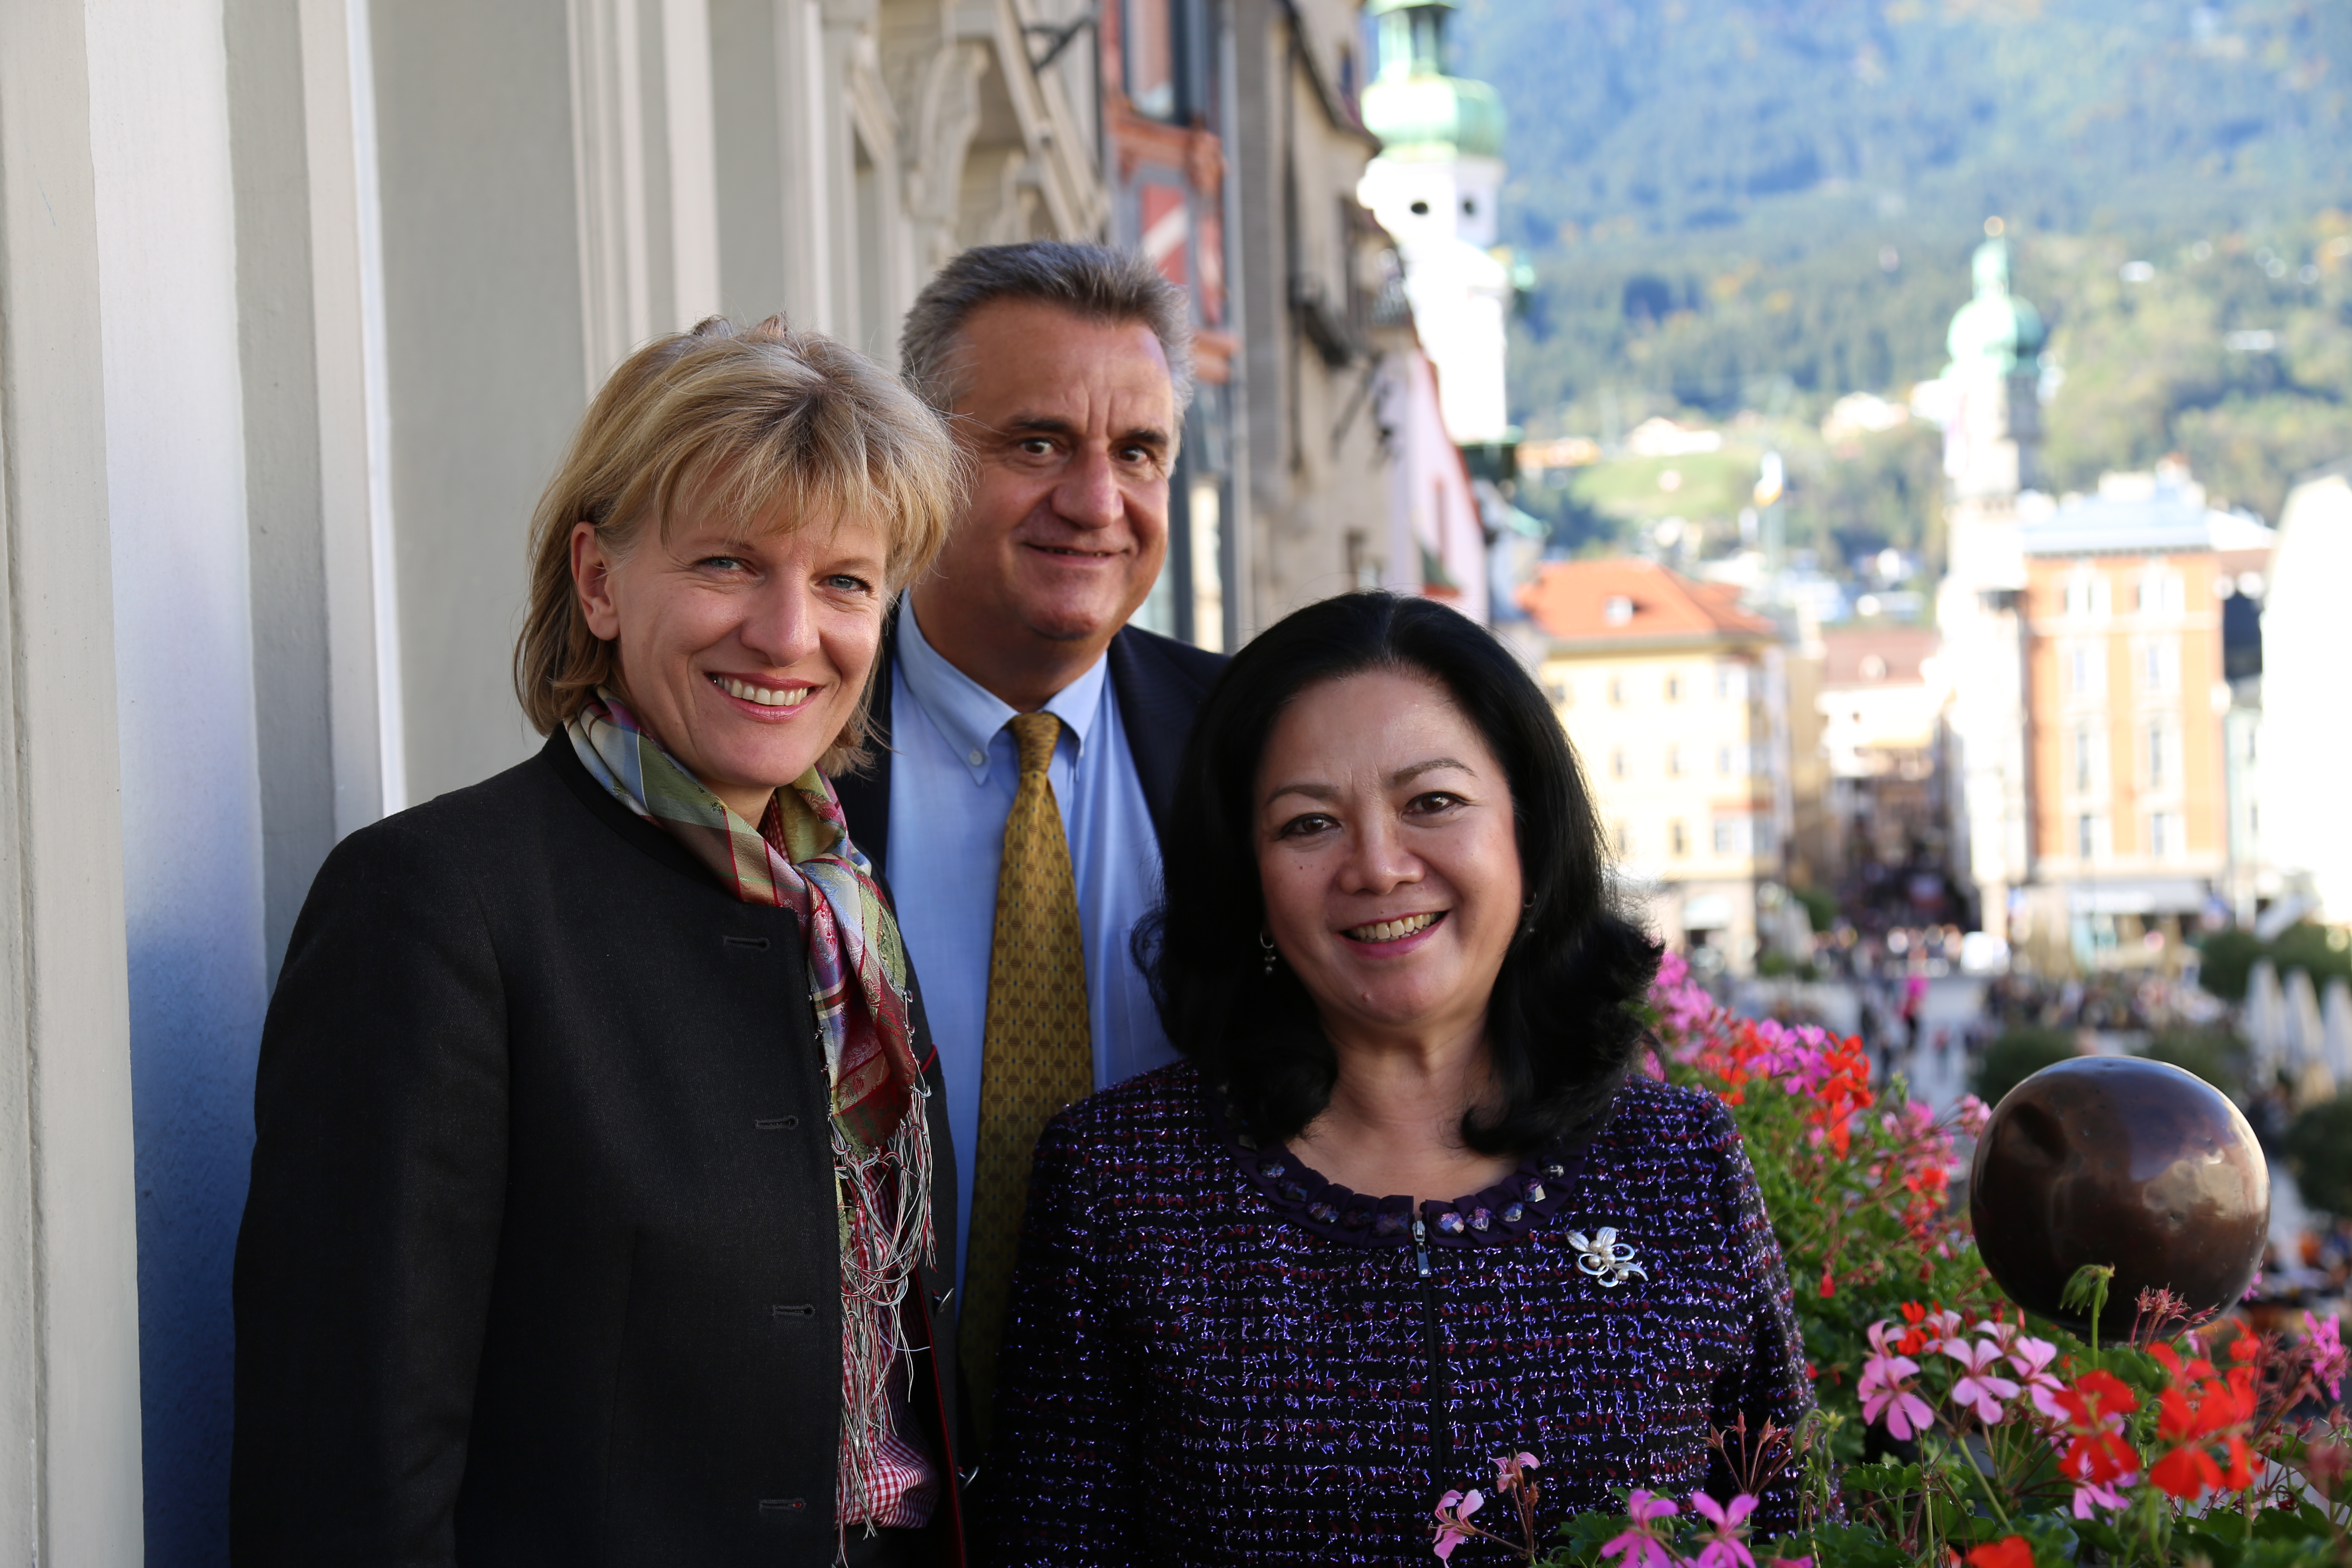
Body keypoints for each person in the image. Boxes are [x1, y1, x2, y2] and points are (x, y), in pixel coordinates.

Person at [232, 317, 968, 1566]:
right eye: (731, 564)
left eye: (845, 581)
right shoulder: (432, 906)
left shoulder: (847, 911)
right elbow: (348, 1465)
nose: (792, 635)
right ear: (598, 580)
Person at [985, 592, 1813, 1566]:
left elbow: (1792, 1531)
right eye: (1308, 825)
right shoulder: (1119, 1186)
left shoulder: (1682, 1164)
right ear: (1248, 875)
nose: (1378, 867)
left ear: (1529, 835)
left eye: (1433, 803)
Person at [831, 241, 1224, 1434]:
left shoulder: (1258, 756)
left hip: (1185, 1489)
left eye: (1139, 453)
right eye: (1038, 443)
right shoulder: (781, 748)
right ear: (920, 458)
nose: (1098, 502)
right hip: (855, 1486)